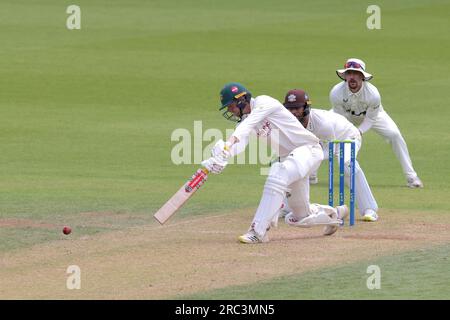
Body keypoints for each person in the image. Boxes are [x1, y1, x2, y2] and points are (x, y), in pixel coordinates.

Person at [201, 82, 348, 244]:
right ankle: (334, 215)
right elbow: (240, 143)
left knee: (278, 173)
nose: (230, 111)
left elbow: (246, 126)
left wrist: (228, 144)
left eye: (231, 106)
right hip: (291, 160)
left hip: (309, 150)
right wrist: (220, 157)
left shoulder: (264, 102)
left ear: (242, 99)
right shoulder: (245, 121)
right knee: (300, 218)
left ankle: (258, 231)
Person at [283, 88, 379, 222]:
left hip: (346, 136)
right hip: (321, 143)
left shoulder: (322, 123)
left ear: (306, 107)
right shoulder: (289, 123)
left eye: (297, 108)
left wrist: (309, 164)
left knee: (346, 163)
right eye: (289, 108)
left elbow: (329, 151)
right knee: (291, 164)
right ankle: (289, 208)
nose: (293, 112)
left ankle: (370, 209)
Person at [330, 58, 423, 188]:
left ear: (362, 77)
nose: (352, 77)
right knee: (323, 132)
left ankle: (411, 177)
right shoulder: (336, 92)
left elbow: (370, 119)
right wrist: (347, 133)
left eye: (356, 74)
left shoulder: (373, 94)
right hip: (345, 116)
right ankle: (311, 174)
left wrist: (359, 132)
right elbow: (339, 120)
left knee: (394, 135)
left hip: (372, 116)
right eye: (349, 73)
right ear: (345, 76)